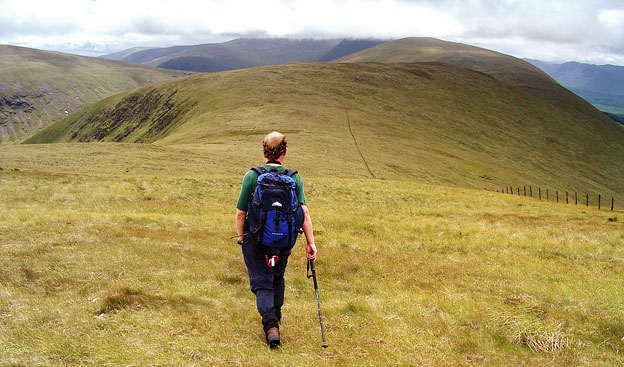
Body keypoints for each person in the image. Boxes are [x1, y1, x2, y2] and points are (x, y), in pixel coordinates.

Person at [235, 131, 317, 347]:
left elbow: (241, 213)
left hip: (256, 240)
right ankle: (276, 317)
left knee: (262, 280)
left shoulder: (252, 176)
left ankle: (271, 325)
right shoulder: (293, 178)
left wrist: (242, 237)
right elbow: (304, 213)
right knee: (277, 277)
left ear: (264, 151)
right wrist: (311, 243)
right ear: (285, 151)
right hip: (283, 241)